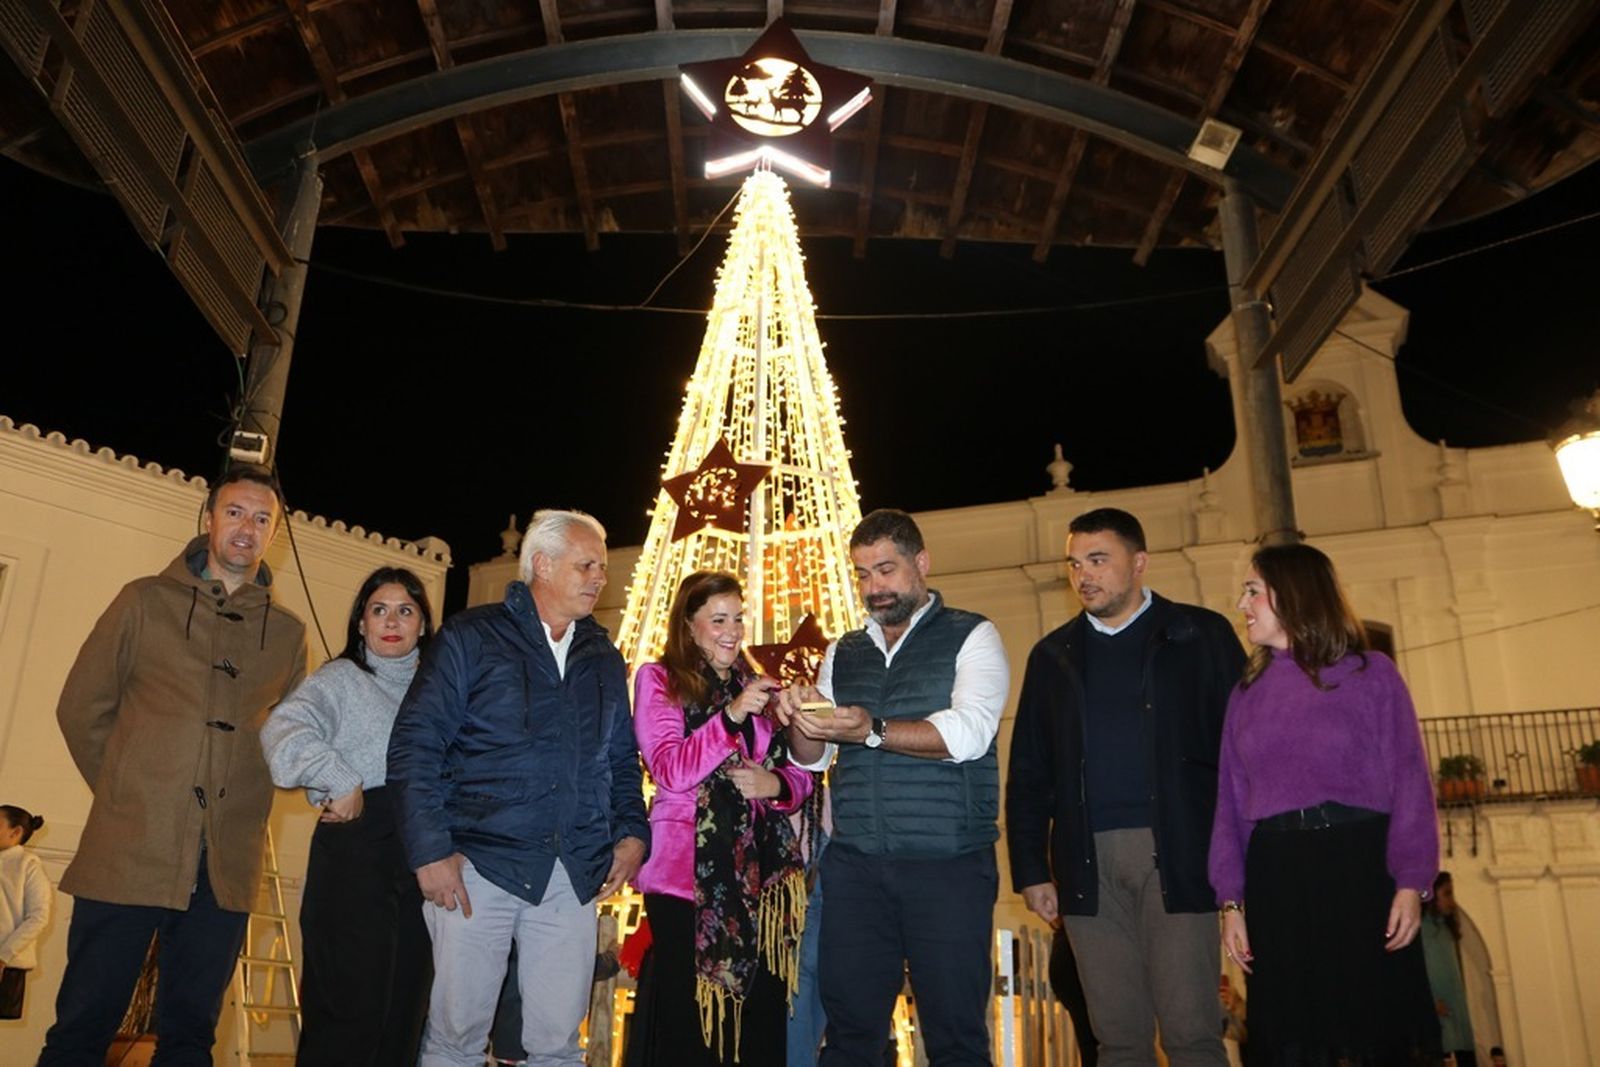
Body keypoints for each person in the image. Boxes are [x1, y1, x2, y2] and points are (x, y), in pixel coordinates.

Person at [40, 465, 308, 1065]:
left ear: (274, 535)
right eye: (235, 512)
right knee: (81, 1029)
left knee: (190, 1040)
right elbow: (81, 707)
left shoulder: (287, 634)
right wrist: (128, 791)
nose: (247, 528)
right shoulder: (142, 600)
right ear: (209, 519)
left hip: (225, 866)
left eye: (262, 519)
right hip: (128, 849)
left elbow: (292, 739)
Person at [387, 508, 650, 1067]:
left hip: (570, 872)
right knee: (456, 1039)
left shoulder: (603, 656)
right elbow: (416, 745)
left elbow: (620, 759)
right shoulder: (472, 636)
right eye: (585, 565)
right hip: (477, 867)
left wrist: (632, 832)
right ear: (542, 565)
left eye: (602, 567)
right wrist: (430, 852)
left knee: (558, 1046)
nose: (599, 578)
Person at [1007, 507, 1244, 1066]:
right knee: (1117, 1040)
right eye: (1074, 564)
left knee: (1191, 1034)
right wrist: (1032, 870)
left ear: (1139, 563)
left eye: (1097, 560)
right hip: (1085, 866)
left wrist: (1240, 860)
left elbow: (1243, 753)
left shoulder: (1200, 635)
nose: (1083, 575)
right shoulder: (1052, 657)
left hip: (1180, 856)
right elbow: (1030, 772)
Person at [775, 508, 1010, 1066]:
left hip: (948, 866)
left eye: (885, 570)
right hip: (856, 867)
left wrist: (872, 730)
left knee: (955, 1038)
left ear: (921, 562)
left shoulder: (973, 634)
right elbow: (813, 758)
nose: (873, 587)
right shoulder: (844, 650)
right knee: (851, 1036)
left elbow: (969, 733)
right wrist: (800, 717)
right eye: (862, 574)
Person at [1210, 542, 1440, 1064]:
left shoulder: (1371, 673)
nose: (1242, 604)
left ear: (1292, 595)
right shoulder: (1246, 693)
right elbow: (1230, 803)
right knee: (1292, 1039)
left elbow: (1409, 779)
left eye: (1252, 591)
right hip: (1277, 876)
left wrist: (1411, 881)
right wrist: (1232, 903)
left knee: (1377, 1033)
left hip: (1360, 868)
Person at [629, 571, 812, 1064]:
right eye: (718, 620)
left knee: (761, 1016)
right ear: (689, 625)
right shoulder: (659, 679)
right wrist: (729, 718)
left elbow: (803, 774)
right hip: (685, 879)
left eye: (737, 618)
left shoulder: (758, 688)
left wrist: (776, 785)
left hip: (759, 879)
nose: (731, 631)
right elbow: (670, 769)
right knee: (694, 1024)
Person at [260, 566, 436, 1065]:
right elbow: (281, 729)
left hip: (424, 860)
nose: (391, 622)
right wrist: (338, 777)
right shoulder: (340, 679)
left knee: (405, 1015)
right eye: (379, 610)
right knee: (348, 1016)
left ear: (424, 624)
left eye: (405, 610)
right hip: (357, 853)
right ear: (361, 623)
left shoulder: (441, 691)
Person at [0, 805, 51, 1022]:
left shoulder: (27, 865)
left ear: (16, 832)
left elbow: (38, 916)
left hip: (7, 964)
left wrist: (4, 956)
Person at [1421, 871, 1476, 1067]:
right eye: (1447, 893)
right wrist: (1431, 1002)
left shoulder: (1445, 928)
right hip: (1437, 1011)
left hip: (1455, 1009)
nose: (1452, 901)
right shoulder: (1420, 929)